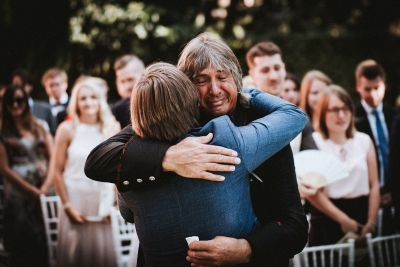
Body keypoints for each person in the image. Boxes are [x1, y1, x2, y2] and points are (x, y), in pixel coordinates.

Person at [85, 33, 308, 267]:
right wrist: (167, 157)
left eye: (222, 77)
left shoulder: (264, 128)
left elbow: (296, 228)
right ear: (185, 87)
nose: (215, 90)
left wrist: (247, 248)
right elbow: (97, 160)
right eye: (201, 80)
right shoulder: (159, 126)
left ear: (237, 78)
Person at [51, 77, 120, 267]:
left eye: (93, 97)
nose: (88, 102)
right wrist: (67, 207)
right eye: (83, 98)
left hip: (103, 204)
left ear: (100, 100)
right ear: (76, 102)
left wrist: (115, 206)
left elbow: (119, 171)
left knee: (101, 254)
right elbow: (56, 171)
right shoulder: (66, 129)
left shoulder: (112, 128)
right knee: (74, 254)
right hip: (75, 201)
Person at [305, 85, 380, 246]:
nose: (341, 115)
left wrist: (371, 222)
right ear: (323, 113)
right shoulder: (314, 141)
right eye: (334, 110)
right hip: (327, 217)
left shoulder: (364, 140)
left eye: (346, 109)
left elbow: (374, 185)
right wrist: (343, 220)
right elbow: (312, 192)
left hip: (362, 214)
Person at [0, 85, 53, 267]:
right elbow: (5, 169)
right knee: (22, 244)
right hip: (17, 195)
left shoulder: (40, 126)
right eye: (10, 101)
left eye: (19, 100)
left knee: (47, 239)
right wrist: (31, 190)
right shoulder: (2, 132)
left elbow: (53, 157)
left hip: (44, 189)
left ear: (26, 102)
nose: (15, 105)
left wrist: (45, 187)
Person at [353, 59, 398, 234]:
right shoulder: (353, 118)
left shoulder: (394, 115)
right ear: (358, 87)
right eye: (367, 89)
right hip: (367, 197)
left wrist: (392, 190)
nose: (373, 94)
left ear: (384, 85)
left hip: (395, 191)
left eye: (377, 88)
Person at [11, 69, 56, 135]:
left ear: (30, 87)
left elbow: (53, 134)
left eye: (21, 85)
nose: (18, 89)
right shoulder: (9, 109)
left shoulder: (45, 109)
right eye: (15, 86)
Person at [112, 54, 145, 128]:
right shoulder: (114, 112)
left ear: (144, 76)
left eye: (130, 79)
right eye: (122, 81)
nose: (127, 87)